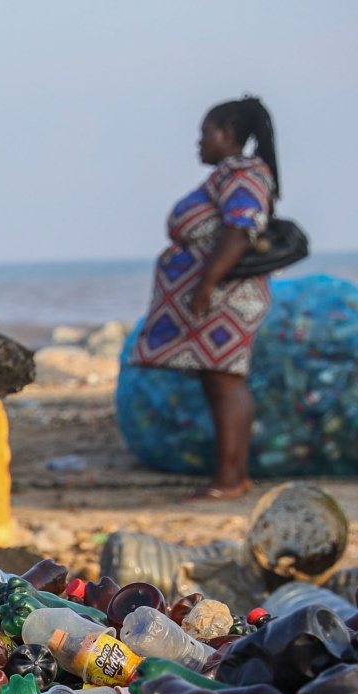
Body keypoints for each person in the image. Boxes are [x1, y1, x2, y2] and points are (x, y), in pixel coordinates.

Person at [130, 97, 281, 501]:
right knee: (225, 381)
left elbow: (240, 229)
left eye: (204, 134)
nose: (199, 143)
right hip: (221, 294)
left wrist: (206, 284)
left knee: (224, 382)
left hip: (227, 296)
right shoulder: (229, 175)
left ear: (227, 135)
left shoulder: (245, 174)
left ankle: (228, 480)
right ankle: (235, 475)